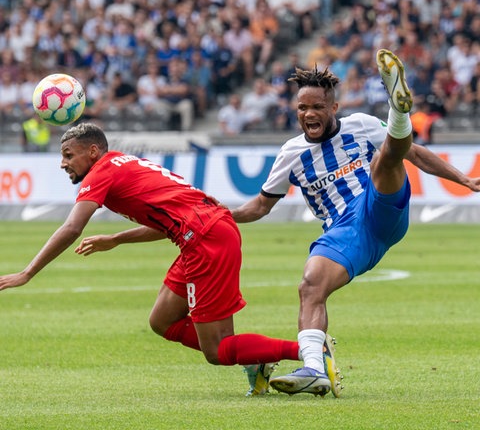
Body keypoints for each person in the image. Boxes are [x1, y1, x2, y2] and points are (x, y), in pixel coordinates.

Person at [0, 122, 335, 397]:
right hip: (202, 232)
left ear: (93, 152)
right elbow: (171, 221)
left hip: (205, 239)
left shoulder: (98, 174)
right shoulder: (122, 161)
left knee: (217, 351)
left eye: (68, 155)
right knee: (162, 320)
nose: (63, 163)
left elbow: (72, 226)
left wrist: (27, 272)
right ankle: (262, 358)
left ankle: (311, 353)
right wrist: (116, 239)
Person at [230, 49, 480, 396]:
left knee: (384, 161)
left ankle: (398, 112)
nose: (309, 114)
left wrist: (464, 180)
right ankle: (314, 369)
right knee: (310, 285)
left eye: (317, 106)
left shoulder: (359, 125)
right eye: (303, 108)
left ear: (333, 107)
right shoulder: (290, 154)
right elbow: (259, 207)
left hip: (378, 206)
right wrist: (218, 213)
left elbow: (416, 154)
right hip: (345, 234)